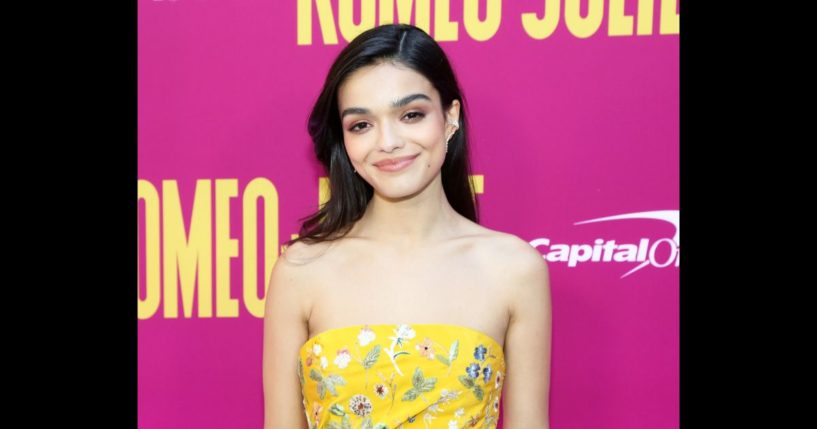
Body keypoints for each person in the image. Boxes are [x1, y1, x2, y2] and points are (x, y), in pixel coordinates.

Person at [263, 23, 552, 428]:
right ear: (344, 141)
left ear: (450, 117)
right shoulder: (301, 270)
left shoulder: (514, 269)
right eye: (361, 124)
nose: (388, 142)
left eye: (411, 115)